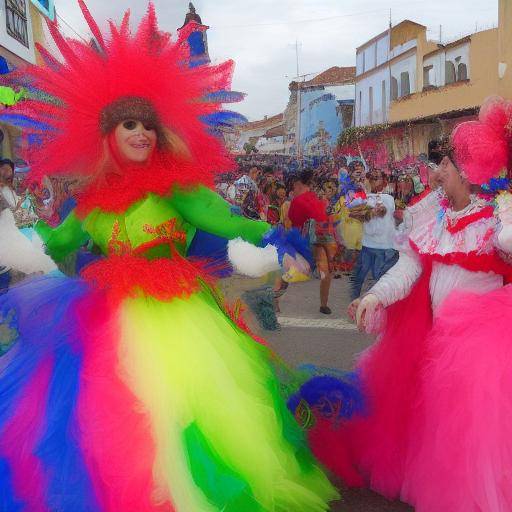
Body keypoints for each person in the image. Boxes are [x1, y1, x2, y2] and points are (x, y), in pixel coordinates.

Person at [0, 5, 339, 511]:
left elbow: (226, 220)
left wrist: (275, 237)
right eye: (129, 125)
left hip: (174, 316)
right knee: (102, 417)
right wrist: (19, 242)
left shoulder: (175, 186)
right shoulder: (91, 200)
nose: (141, 134)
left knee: (175, 411)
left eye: (148, 125)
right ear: (107, 135)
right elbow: (58, 242)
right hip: (102, 316)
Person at [309, 97, 512, 512]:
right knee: (440, 431)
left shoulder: (495, 217)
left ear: (467, 171)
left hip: (481, 353)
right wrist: (374, 295)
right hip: (437, 343)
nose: (437, 173)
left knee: (478, 439)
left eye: (446, 166)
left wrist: (506, 201)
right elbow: (409, 266)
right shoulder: (431, 213)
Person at [288, 170, 337, 314]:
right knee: (323, 271)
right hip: (319, 237)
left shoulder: (302, 200)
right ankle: (323, 304)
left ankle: (323, 304)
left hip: (320, 238)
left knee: (325, 273)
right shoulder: (316, 198)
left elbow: (294, 220)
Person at [350, 169, 397, 299]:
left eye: (377, 178)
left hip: (384, 247)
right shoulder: (364, 198)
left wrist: (366, 211)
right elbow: (353, 213)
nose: (373, 181)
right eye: (371, 178)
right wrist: (365, 209)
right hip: (368, 245)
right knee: (359, 278)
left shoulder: (388, 198)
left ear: (384, 181)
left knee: (379, 279)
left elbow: (381, 211)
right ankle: (355, 305)